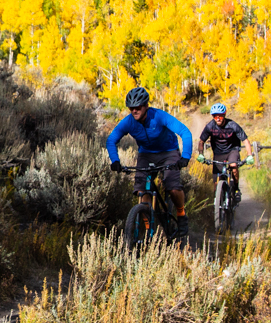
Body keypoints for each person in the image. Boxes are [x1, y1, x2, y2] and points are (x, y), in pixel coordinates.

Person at [105, 86, 195, 239]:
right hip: (146, 154)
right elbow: (111, 140)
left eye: (138, 107)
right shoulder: (128, 122)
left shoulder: (159, 116)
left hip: (169, 152)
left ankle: (181, 213)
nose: (134, 110)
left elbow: (185, 132)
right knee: (142, 190)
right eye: (131, 108)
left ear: (146, 106)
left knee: (173, 187)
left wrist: (185, 157)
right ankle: (148, 228)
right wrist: (115, 160)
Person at [198, 102, 249, 204]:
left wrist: (250, 155)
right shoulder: (210, 126)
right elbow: (201, 141)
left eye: (220, 116)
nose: (218, 118)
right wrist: (201, 154)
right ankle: (218, 206)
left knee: (233, 165)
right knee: (216, 183)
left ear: (224, 115)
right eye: (215, 116)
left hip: (232, 150)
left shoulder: (233, 125)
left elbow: (245, 140)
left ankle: (236, 189)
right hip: (218, 152)